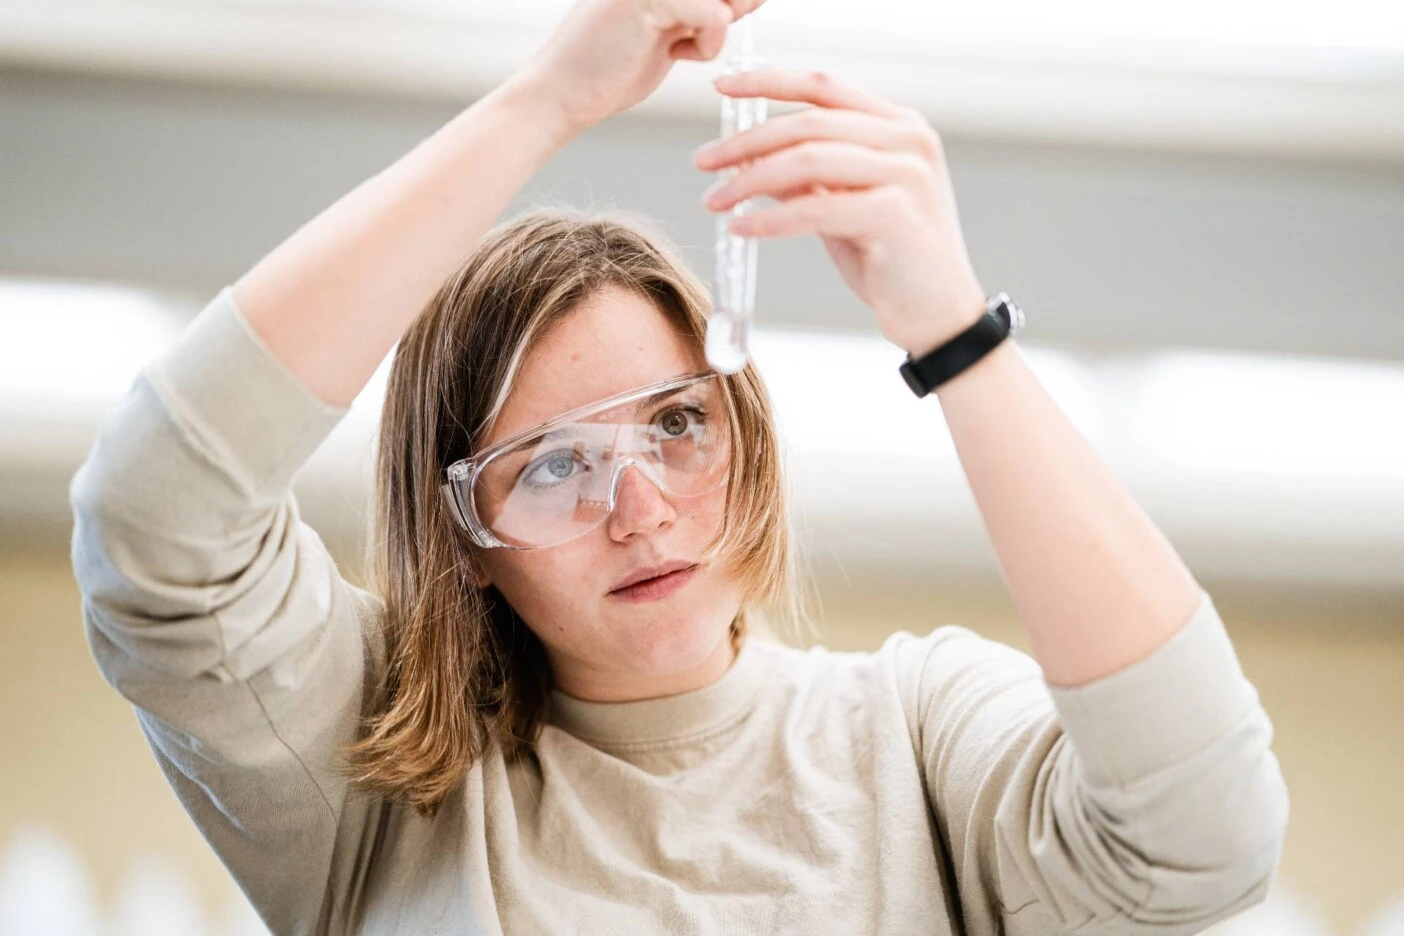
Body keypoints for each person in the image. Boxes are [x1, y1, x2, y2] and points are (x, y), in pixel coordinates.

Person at [68, 0, 1289, 933]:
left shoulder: (914, 737)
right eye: (552, 468)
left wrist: (957, 337)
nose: (640, 510)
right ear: (465, 539)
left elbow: (1206, 834)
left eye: (675, 426)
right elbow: (155, 519)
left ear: (743, 434)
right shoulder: (381, 789)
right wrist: (547, 99)